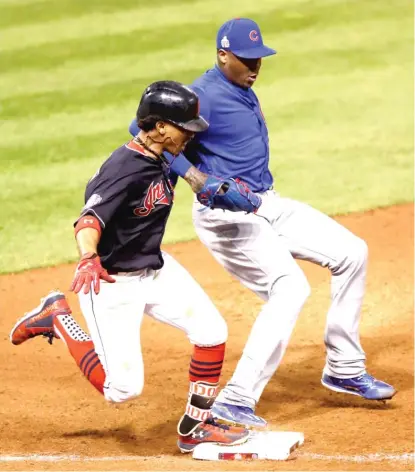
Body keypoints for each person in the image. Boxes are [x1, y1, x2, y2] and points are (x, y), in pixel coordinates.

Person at [128, 18, 396, 429]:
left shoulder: (241, 88)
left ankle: (344, 367)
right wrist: (193, 175)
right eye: (245, 59)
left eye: (259, 59)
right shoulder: (203, 94)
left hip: (263, 204)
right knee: (289, 287)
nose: (254, 67)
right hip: (226, 217)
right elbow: (141, 128)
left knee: (351, 252)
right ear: (222, 55)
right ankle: (234, 399)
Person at [9, 80, 253, 452]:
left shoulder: (165, 153)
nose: (189, 134)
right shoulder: (122, 169)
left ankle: (195, 427)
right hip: (111, 281)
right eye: (183, 127)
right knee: (121, 390)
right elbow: (88, 220)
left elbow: (186, 163)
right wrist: (88, 257)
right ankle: (57, 315)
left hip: (156, 268)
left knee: (212, 332)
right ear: (158, 127)